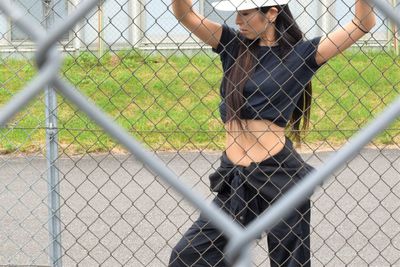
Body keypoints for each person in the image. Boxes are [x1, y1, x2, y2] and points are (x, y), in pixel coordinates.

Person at [169, 0, 376, 266]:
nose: (237, 22)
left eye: (245, 14)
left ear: (272, 13)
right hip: (236, 179)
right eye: (236, 15)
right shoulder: (232, 46)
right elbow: (185, 15)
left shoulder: (300, 54)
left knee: (288, 262)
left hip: (278, 177)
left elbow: (362, 24)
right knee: (188, 256)